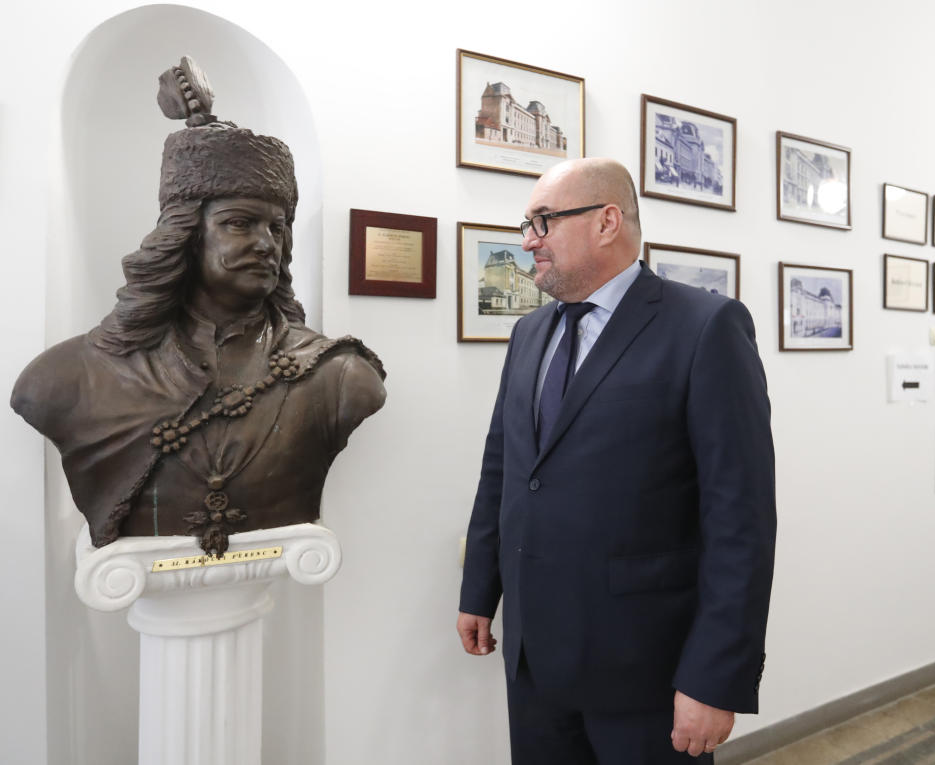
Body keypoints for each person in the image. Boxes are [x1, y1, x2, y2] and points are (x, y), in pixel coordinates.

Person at [457, 157, 776, 763]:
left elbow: (741, 520)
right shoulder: (530, 333)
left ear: (607, 221)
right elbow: (504, 468)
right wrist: (480, 590)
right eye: (526, 224)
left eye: (543, 222)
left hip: (645, 666)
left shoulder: (705, 327)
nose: (528, 242)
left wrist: (715, 676)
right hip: (534, 657)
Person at [11, 57, 386, 557]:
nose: (265, 243)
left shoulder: (340, 376)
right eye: (239, 223)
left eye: (277, 228)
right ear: (183, 236)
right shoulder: (64, 379)